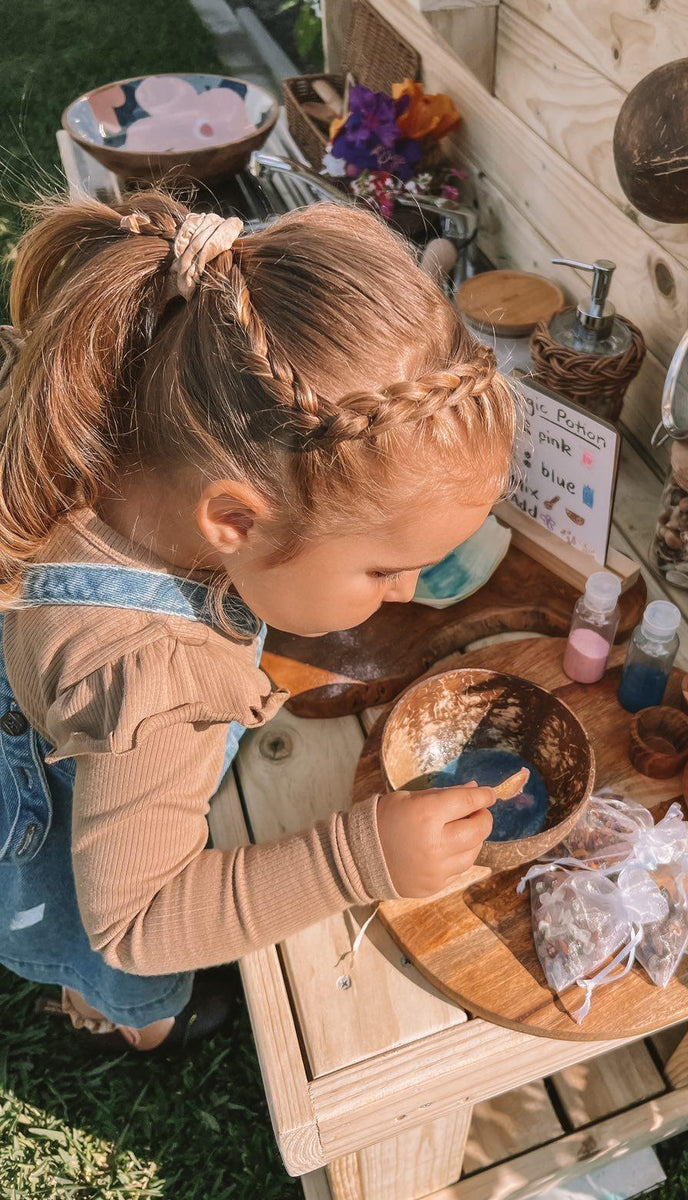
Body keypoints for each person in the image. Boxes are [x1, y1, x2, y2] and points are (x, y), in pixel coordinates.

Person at [0, 191, 516, 1052]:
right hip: (64, 807)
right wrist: (360, 857)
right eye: (385, 568)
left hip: (44, 688)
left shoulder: (120, 393)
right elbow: (138, 917)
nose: (408, 591)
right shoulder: (157, 687)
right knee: (114, 961)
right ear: (233, 522)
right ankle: (128, 1018)